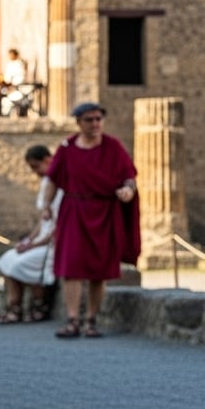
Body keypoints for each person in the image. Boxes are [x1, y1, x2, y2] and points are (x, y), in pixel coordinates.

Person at [43, 102, 139, 339]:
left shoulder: (113, 147)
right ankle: (73, 320)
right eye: (89, 120)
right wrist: (46, 206)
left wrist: (128, 190)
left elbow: (129, 177)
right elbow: (53, 180)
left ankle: (91, 321)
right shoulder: (67, 148)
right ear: (79, 122)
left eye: (98, 119)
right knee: (71, 267)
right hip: (74, 209)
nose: (95, 124)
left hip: (104, 211)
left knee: (100, 269)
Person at [0, 145, 61, 323]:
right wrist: (29, 239)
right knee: (9, 259)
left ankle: (39, 305)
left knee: (22, 263)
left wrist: (34, 245)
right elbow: (43, 220)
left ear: (48, 160)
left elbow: (58, 225)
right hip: (41, 240)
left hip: (54, 243)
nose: (34, 172)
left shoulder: (63, 184)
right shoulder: (47, 182)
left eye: (36, 167)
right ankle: (13, 306)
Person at [0, 49, 30, 117]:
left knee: (19, 102)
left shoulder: (19, 65)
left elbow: (19, 78)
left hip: (17, 89)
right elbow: (7, 78)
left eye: (11, 55)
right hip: (9, 89)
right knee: (5, 103)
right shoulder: (9, 64)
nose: (10, 56)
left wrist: (12, 86)